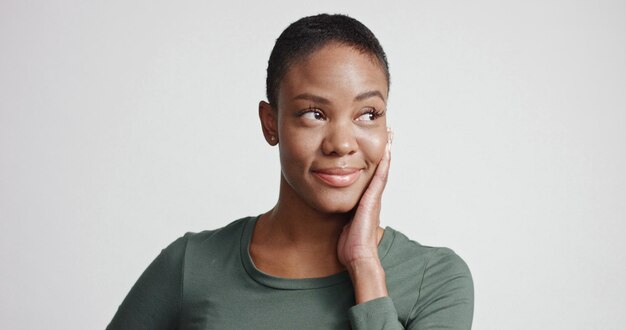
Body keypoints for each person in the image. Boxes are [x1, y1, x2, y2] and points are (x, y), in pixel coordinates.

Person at [107, 13, 473, 329]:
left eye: (367, 114)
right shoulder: (191, 265)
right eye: (314, 113)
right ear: (271, 124)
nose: (342, 144)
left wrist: (364, 266)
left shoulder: (435, 278)